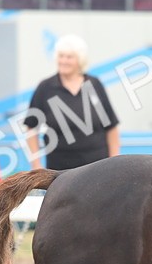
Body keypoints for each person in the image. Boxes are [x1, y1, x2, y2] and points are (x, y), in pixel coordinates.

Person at [24, 34, 120, 171]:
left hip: (97, 168)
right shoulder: (45, 88)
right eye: (61, 56)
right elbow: (31, 128)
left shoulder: (94, 85)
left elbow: (111, 127)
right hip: (59, 171)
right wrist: (36, 166)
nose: (64, 61)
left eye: (69, 57)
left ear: (80, 60)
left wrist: (113, 161)